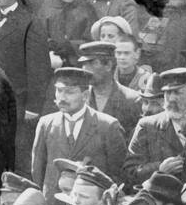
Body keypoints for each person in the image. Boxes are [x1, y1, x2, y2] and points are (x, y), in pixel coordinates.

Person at [0, 0, 51, 162]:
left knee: (18, 156)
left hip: (18, 103)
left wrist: (33, 107)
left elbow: (39, 69)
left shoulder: (31, 23)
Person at [32, 66, 127, 194]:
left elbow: (118, 174)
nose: (62, 98)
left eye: (69, 92)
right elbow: (37, 170)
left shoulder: (108, 126)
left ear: (85, 95)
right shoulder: (46, 123)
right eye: (59, 91)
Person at [124, 67, 186, 184]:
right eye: (168, 92)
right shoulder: (147, 126)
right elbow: (130, 173)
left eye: (178, 92)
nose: (171, 98)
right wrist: (159, 169)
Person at [79, 40, 141, 136]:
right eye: (84, 64)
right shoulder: (79, 99)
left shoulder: (132, 100)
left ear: (108, 65)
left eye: (94, 63)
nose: (86, 69)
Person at [38, 0, 96, 68]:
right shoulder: (47, 9)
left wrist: (71, 46)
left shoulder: (86, 8)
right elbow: (38, 36)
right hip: (53, 62)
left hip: (80, 62)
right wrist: (50, 45)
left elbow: (93, 39)